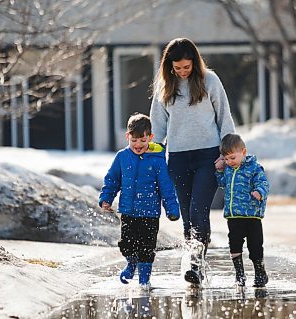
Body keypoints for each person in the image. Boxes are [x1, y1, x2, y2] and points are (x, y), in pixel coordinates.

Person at [150, 37, 235, 285]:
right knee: (188, 216)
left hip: (208, 157)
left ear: (194, 63)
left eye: (186, 67)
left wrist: (226, 152)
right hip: (177, 158)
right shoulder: (165, 86)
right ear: (170, 66)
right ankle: (194, 265)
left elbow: (224, 118)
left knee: (199, 210)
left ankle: (195, 263)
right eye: (177, 68)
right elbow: (158, 127)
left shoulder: (210, 81)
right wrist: (151, 157)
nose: (182, 72)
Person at [99, 113, 180, 288]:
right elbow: (112, 180)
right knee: (126, 244)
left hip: (150, 213)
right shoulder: (122, 157)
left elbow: (166, 186)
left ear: (150, 138)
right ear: (127, 137)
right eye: (134, 140)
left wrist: (172, 208)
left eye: (143, 141)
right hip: (128, 211)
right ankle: (131, 262)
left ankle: (144, 279)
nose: (138, 145)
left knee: (147, 247)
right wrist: (106, 198)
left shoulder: (157, 160)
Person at [215, 133, 269, 288]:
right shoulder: (228, 169)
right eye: (226, 159)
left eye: (232, 158)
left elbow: (264, 183)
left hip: (252, 215)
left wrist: (259, 191)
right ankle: (239, 273)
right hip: (234, 215)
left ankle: (260, 272)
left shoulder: (254, 168)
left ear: (243, 152)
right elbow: (222, 184)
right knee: (234, 243)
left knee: (255, 245)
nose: (229, 162)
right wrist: (219, 171)